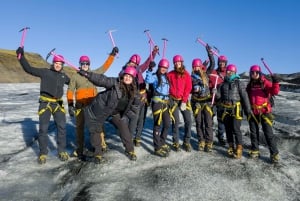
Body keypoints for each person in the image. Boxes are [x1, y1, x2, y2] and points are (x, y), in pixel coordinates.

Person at [16, 46, 70, 164]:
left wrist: (84, 74)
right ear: (53, 63)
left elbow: (74, 82)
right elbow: (28, 69)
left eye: (60, 64)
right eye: (56, 63)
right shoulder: (45, 72)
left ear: (62, 65)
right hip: (45, 103)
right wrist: (21, 57)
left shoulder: (64, 76)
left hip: (58, 104)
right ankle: (43, 153)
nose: (58, 65)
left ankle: (61, 151)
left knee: (62, 128)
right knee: (43, 129)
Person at [77, 66, 140, 163]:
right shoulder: (115, 83)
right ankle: (97, 154)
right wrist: (87, 74)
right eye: (126, 75)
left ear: (133, 79)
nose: (127, 78)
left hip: (115, 113)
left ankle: (130, 151)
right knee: (95, 130)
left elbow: (134, 108)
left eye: (130, 77)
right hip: (100, 109)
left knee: (124, 129)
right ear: (123, 76)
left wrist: (127, 116)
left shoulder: (134, 92)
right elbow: (102, 80)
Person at [66, 47, 119, 159]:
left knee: (98, 126)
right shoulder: (75, 76)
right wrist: (70, 104)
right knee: (79, 128)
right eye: (83, 63)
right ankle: (79, 148)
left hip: (93, 106)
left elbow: (105, 67)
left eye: (86, 63)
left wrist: (112, 55)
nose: (85, 65)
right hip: (80, 106)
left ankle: (102, 144)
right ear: (80, 64)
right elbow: (70, 91)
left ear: (89, 64)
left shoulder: (94, 74)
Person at [120, 46, 159, 147]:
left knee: (142, 119)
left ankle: (138, 138)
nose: (134, 64)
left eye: (136, 63)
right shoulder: (126, 71)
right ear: (129, 61)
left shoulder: (139, 69)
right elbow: (121, 77)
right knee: (134, 119)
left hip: (144, 97)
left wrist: (154, 52)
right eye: (132, 62)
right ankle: (129, 138)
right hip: (134, 98)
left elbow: (147, 62)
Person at [215, 64, 252, 159]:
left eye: (231, 72)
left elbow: (244, 97)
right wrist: (215, 93)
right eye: (228, 71)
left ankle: (239, 148)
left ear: (235, 73)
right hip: (225, 109)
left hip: (236, 109)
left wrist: (248, 110)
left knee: (236, 129)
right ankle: (231, 146)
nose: (229, 73)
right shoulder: (222, 84)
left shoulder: (239, 83)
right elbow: (219, 98)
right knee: (228, 130)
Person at [246, 65, 280, 163]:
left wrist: (276, 82)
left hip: (265, 112)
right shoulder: (250, 85)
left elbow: (275, 91)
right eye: (252, 73)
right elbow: (247, 97)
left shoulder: (265, 83)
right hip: (253, 112)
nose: (254, 74)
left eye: (256, 72)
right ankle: (255, 150)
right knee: (254, 132)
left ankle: (274, 154)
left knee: (268, 134)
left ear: (259, 73)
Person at [145, 58, 171, 157]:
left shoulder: (166, 78)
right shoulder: (155, 76)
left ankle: (162, 142)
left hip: (165, 102)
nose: (163, 69)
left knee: (167, 123)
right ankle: (157, 147)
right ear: (159, 67)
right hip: (157, 102)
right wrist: (150, 69)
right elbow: (148, 80)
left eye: (165, 67)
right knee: (158, 124)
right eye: (162, 67)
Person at [167, 55, 193, 152]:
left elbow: (188, 88)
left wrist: (184, 101)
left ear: (181, 62)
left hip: (183, 100)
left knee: (188, 121)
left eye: (179, 62)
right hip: (173, 100)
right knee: (175, 121)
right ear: (174, 64)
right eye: (176, 62)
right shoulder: (170, 74)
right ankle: (176, 142)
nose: (177, 64)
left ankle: (186, 142)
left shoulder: (186, 74)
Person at [191, 58, 214, 152]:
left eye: (197, 66)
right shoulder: (191, 77)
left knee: (208, 123)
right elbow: (188, 89)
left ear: (201, 66)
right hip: (196, 102)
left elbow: (212, 64)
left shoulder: (206, 74)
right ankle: (201, 141)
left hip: (207, 102)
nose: (196, 68)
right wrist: (194, 90)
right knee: (199, 123)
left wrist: (210, 54)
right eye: (194, 66)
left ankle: (209, 142)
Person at [207, 55, 228, 145]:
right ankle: (209, 137)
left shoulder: (228, 73)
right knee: (209, 119)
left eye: (223, 62)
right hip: (212, 99)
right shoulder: (213, 72)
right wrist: (210, 89)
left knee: (221, 120)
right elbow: (207, 80)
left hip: (221, 100)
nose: (221, 63)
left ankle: (221, 137)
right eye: (220, 62)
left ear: (225, 63)